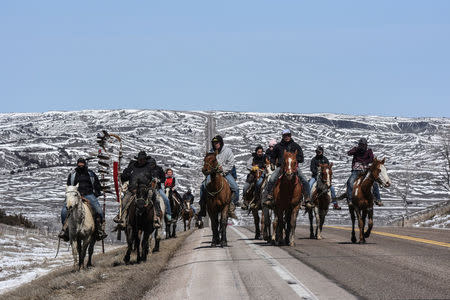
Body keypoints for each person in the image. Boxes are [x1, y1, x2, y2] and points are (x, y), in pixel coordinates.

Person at [59, 158, 107, 241]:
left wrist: (96, 194)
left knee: (99, 211)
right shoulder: (73, 174)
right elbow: (69, 186)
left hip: (89, 195)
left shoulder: (91, 174)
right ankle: (65, 230)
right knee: (64, 211)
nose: (80, 165)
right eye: (79, 164)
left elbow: (97, 185)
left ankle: (99, 230)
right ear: (77, 164)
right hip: (75, 196)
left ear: (85, 164)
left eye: (82, 164)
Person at [113, 151, 164, 228]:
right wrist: (122, 175)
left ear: (145, 159)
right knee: (124, 200)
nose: (142, 160)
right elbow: (124, 177)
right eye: (140, 159)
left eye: (143, 159)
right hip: (133, 189)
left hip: (146, 189)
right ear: (138, 159)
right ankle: (121, 217)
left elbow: (153, 177)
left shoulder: (149, 167)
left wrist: (154, 180)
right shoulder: (132, 167)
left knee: (156, 198)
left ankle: (156, 217)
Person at [262, 129, 311, 207]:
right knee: (272, 179)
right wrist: (273, 163)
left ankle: (307, 198)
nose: (287, 137)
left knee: (304, 180)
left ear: (290, 136)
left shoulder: (296, 146)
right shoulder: (278, 146)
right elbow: (273, 157)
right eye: (285, 135)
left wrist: (293, 161)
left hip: (293, 167)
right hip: (281, 167)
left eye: (288, 135)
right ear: (283, 136)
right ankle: (270, 196)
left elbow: (301, 158)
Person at [198, 135, 239, 220]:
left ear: (221, 143)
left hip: (225, 173)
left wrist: (223, 169)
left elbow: (231, 163)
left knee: (235, 188)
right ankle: (203, 207)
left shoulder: (228, 151)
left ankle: (232, 205)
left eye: (217, 143)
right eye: (214, 143)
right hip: (213, 174)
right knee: (203, 186)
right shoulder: (211, 152)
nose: (216, 144)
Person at [346, 138, 382, 206]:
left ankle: (378, 199)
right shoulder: (356, 149)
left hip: (366, 170)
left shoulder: (369, 151)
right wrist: (355, 149)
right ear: (359, 145)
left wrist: (365, 162)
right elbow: (349, 153)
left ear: (366, 145)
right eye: (361, 145)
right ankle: (350, 199)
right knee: (350, 182)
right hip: (356, 170)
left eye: (363, 145)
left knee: (374, 183)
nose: (362, 147)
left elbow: (371, 159)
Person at [241, 145, 267, 210]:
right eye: (259, 152)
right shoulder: (252, 158)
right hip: (253, 174)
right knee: (245, 187)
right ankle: (245, 201)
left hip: (262, 174)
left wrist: (264, 168)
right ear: (256, 152)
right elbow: (248, 165)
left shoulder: (265, 157)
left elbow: (267, 164)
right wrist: (253, 168)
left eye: (261, 152)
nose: (260, 153)